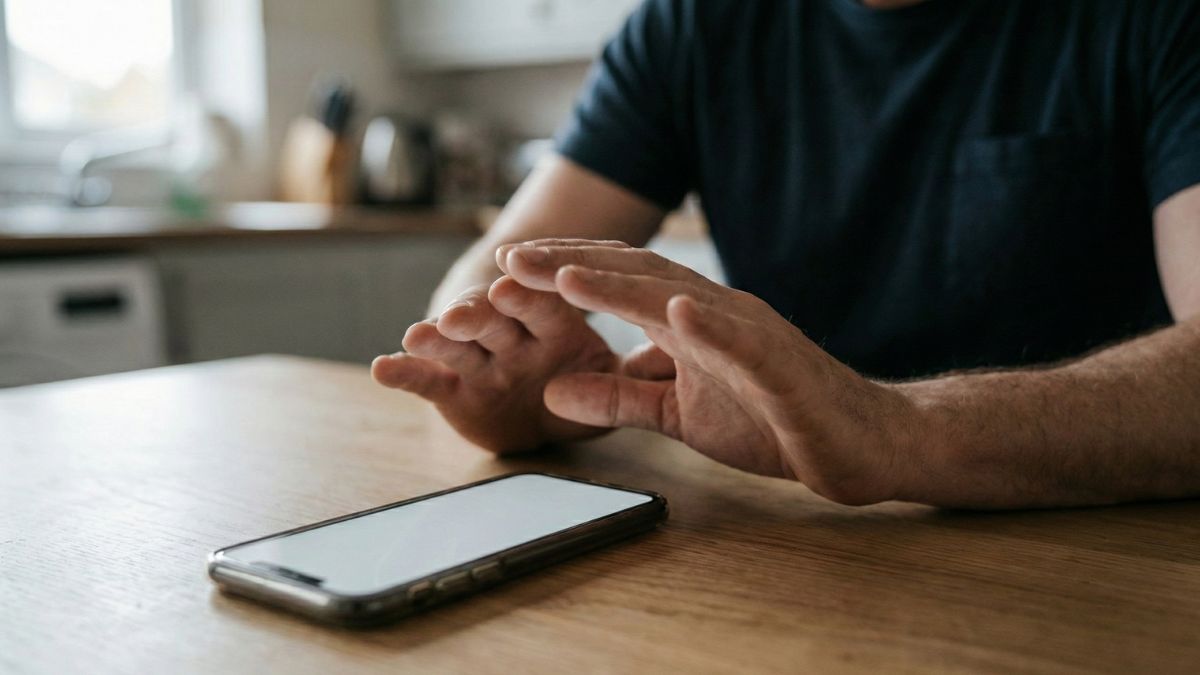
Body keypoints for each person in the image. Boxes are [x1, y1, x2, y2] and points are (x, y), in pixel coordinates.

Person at [372, 0, 1200, 509]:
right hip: (794, 546)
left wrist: (896, 432)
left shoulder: (1157, 17)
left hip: (1100, 559)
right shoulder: (689, 29)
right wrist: (507, 376)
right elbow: (496, 269)